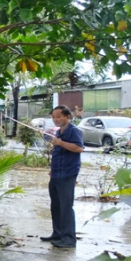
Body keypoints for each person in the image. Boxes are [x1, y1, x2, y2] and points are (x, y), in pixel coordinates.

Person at [41, 105, 84, 248]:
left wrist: (60, 143)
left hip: (67, 174)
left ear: (67, 117)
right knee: (56, 206)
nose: (56, 119)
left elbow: (79, 148)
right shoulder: (58, 132)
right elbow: (58, 153)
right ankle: (57, 233)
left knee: (66, 206)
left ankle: (69, 238)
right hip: (56, 174)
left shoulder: (74, 131)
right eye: (53, 117)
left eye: (59, 116)